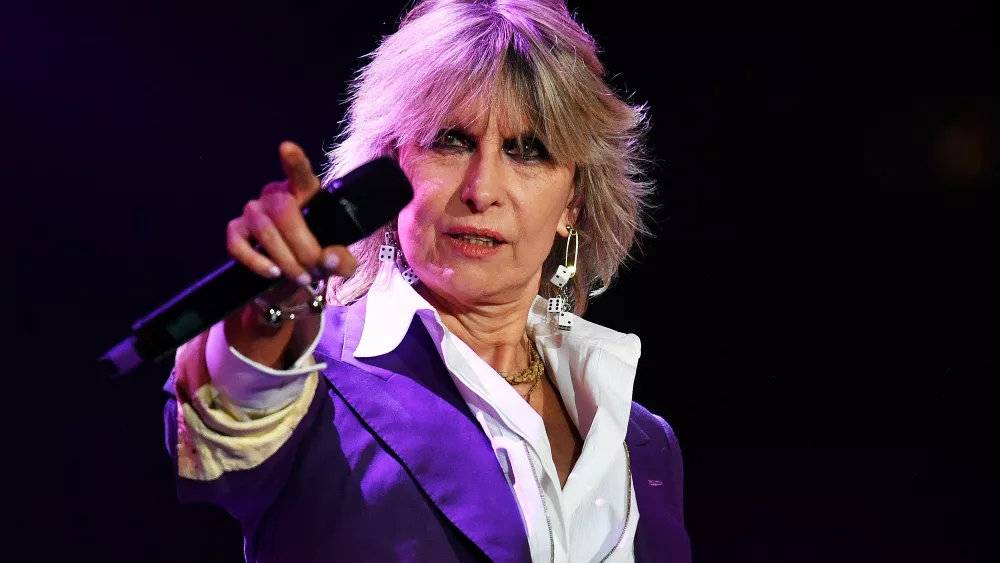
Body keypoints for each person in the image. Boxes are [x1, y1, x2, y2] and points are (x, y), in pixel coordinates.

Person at [163, 0, 690, 561]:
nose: (482, 189)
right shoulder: (310, 376)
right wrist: (268, 307)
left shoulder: (644, 440)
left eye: (527, 150)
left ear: (574, 204)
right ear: (390, 169)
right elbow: (207, 450)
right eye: (451, 141)